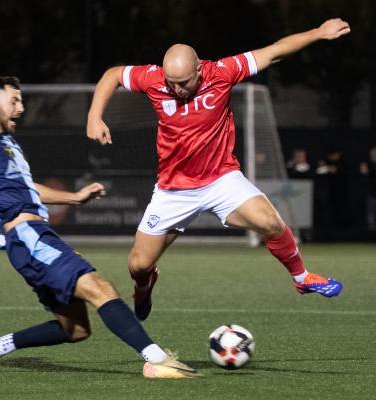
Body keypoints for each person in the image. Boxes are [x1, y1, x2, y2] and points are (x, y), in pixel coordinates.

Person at [0, 76, 197, 379]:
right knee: (100, 288)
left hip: (33, 239)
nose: (20, 107)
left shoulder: (7, 143)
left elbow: (28, 188)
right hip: (26, 238)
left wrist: (74, 198)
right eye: (14, 100)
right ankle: (156, 359)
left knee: (76, 329)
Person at [87, 19, 349, 321]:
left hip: (221, 180)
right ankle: (145, 285)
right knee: (137, 265)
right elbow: (113, 75)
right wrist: (95, 116)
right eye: (171, 82)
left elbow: (274, 52)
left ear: (199, 68)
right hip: (173, 189)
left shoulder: (223, 72)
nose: (177, 89)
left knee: (271, 222)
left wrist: (318, 33)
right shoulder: (153, 79)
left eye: (184, 82)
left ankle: (301, 278)